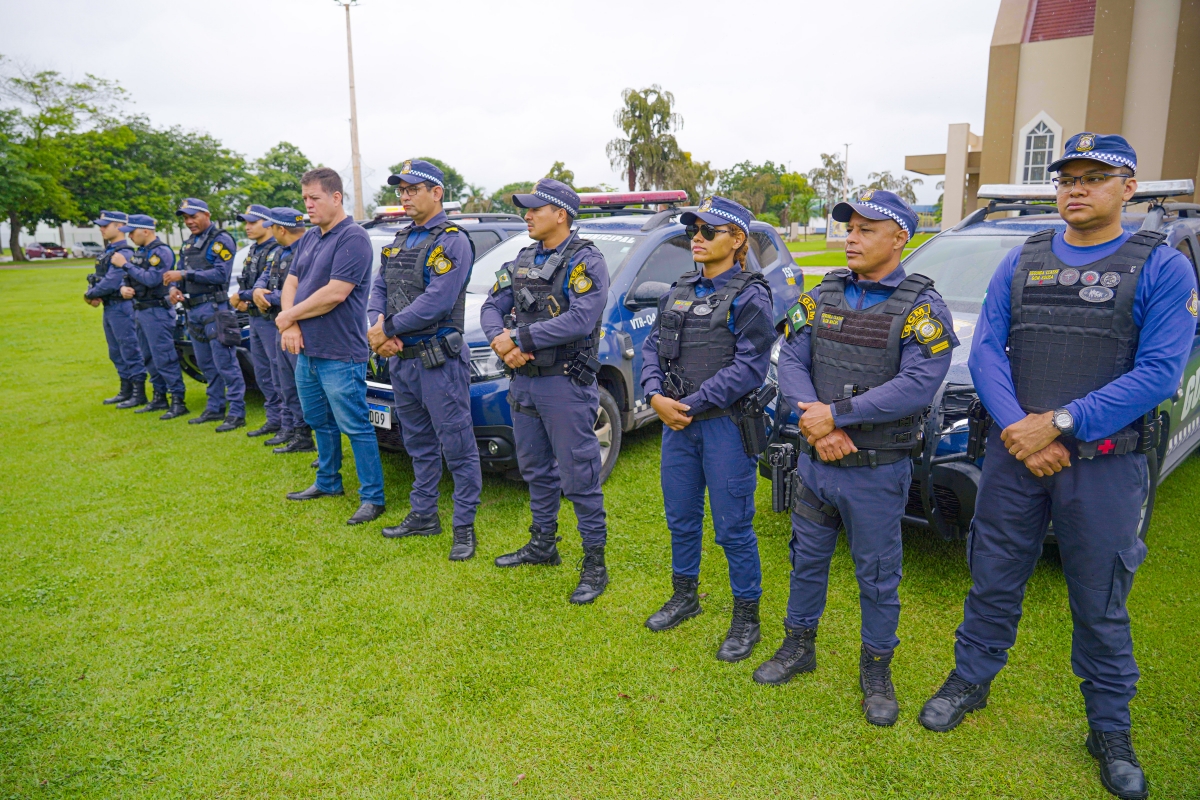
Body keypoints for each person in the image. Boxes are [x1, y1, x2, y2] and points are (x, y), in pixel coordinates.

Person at [919, 134, 1196, 799]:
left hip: (1103, 466)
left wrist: (1062, 423)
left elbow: (1159, 373)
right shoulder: (1022, 260)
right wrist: (1022, 429)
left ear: (1128, 188)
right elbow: (988, 350)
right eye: (1068, 177)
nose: (1077, 187)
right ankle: (970, 681)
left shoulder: (1162, 267)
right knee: (993, 577)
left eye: (1095, 176)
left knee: (1100, 600)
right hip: (1015, 458)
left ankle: (1109, 728)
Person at [761, 190, 957, 727]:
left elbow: (917, 385)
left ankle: (876, 671)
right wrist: (817, 421)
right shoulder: (822, 294)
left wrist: (836, 415)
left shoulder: (922, 308)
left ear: (900, 238)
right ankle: (798, 647)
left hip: (876, 470)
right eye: (849, 228)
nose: (851, 237)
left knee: (877, 574)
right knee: (806, 559)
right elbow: (791, 359)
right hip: (817, 462)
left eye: (867, 229)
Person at [638, 195, 775, 662]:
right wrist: (654, 395)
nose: (696, 237)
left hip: (724, 427)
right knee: (681, 516)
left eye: (708, 230)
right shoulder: (678, 288)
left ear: (737, 240)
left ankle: (746, 618)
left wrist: (686, 405)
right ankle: (685, 596)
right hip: (679, 425)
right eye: (693, 230)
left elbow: (749, 368)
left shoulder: (751, 295)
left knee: (733, 527)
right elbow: (652, 347)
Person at [480, 178, 610, 604]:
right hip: (525, 383)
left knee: (579, 476)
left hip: (564, 384)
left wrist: (519, 338)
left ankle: (595, 564)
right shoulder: (522, 259)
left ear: (561, 214)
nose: (527, 215)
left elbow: (581, 319)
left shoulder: (585, 261)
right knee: (534, 468)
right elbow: (491, 305)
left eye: (536, 209)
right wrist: (500, 339)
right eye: (527, 209)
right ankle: (543, 545)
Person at [367, 160, 483, 560]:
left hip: (438, 362)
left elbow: (438, 301)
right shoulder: (399, 239)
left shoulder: (452, 241)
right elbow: (378, 289)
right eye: (401, 190)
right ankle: (423, 515)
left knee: (458, 445)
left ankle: (464, 527)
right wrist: (376, 325)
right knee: (417, 442)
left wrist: (387, 329)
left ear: (436, 193)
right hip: (403, 361)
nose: (404, 196)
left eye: (412, 189)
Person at [276, 168, 386, 526]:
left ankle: (373, 497)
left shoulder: (353, 238)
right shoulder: (310, 236)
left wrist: (287, 316)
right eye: (305, 198)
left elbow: (335, 294)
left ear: (336, 198)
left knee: (355, 424)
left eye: (315, 198)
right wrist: (290, 322)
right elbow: (291, 282)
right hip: (308, 350)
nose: (308, 205)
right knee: (318, 420)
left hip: (340, 352)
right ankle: (328, 481)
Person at [161, 198, 245, 432]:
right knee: (206, 363)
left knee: (225, 363)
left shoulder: (221, 240)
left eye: (193, 216)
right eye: (186, 218)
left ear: (206, 215)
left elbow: (220, 274)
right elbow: (179, 271)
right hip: (194, 309)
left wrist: (184, 275)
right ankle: (215, 407)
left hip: (214, 308)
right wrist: (174, 288)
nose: (189, 221)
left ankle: (237, 412)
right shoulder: (189, 243)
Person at [252, 207, 315, 455]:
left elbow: (304, 292)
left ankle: (319, 439)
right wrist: (258, 291)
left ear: (281, 229)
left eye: (271, 227)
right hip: (280, 324)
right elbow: (265, 276)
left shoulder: (308, 251)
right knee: (285, 384)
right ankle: (299, 434)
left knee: (307, 387)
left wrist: (270, 297)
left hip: (301, 328)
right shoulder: (279, 252)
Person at [116, 214, 189, 419]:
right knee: (148, 356)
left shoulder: (161, 252)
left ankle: (178, 400)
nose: (130, 236)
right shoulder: (140, 252)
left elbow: (152, 279)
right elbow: (128, 278)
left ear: (146, 231)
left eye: (132, 232)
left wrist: (125, 265)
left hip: (157, 310)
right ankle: (159, 396)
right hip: (141, 309)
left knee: (164, 356)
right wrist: (124, 288)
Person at [83, 210, 145, 406]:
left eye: (105, 225)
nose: (101, 229)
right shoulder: (108, 251)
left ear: (119, 227)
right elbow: (99, 279)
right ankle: (126, 389)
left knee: (129, 348)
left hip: (122, 307)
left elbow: (111, 281)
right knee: (116, 351)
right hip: (111, 306)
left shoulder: (123, 252)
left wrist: (90, 295)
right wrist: (93, 291)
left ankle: (138, 392)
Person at [232, 204, 283, 438]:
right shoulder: (254, 249)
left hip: (271, 319)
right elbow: (250, 283)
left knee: (278, 372)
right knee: (263, 372)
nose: (247, 226)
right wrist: (245, 298)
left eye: (253, 222)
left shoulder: (277, 250)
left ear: (267, 223)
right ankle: (274, 419)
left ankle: (289, 423)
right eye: (246, 222)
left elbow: (268, 286)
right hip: (254, 318)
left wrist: (242, 296)